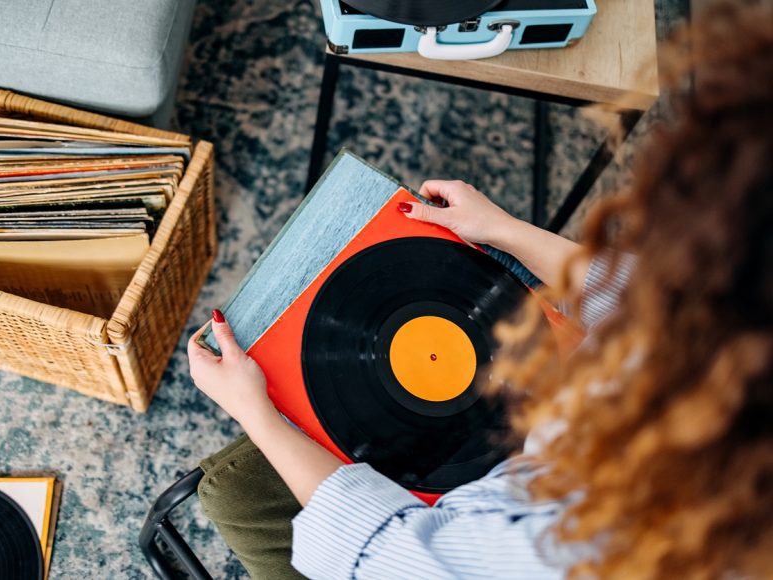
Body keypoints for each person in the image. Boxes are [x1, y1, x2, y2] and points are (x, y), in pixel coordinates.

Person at [187, 2, 773, 577]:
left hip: (452, 533)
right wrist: (505, 231)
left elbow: (384, 552)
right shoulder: (728, 332)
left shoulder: (579, 547)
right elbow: (648, 300)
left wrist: (254, 410)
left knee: (239, 493)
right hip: (555, 450)